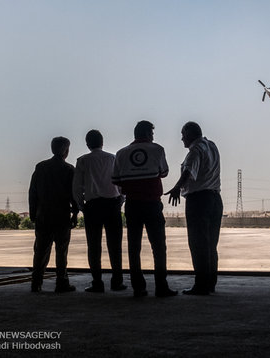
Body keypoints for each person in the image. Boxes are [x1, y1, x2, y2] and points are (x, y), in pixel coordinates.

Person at [112, 121, 177, 298]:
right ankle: (161, 286)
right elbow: (164, 172)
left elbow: (116, 179)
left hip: (132, 205)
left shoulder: (121, 153)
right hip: (152, 204)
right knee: (158, 246)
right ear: (149, 133)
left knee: (134, 247)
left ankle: (138, 287)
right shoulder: (157, 150)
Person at [166, 122, 222, 296]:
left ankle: (201, 285)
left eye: (183, 134)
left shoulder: (195, 150)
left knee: (198, 244)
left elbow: (189, 171)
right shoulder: (211, 146)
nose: (181, 138)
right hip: (215, 199)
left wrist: (176, 188)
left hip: (199, 200)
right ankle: (210, 283)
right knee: (211, 244)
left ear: (189, 134)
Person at [73, 129, 127, 293]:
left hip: (93, 206)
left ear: (87, 144)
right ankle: (117, 281)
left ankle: (97, 282)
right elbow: (121, 182)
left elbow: (76, 187)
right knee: (115, 245)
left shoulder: (82, 160)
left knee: (94, 246)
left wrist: (82, 205)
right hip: (112, 204)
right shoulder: (113, 158)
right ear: (102, 142)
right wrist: (120, 200)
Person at [29, 136, 79, 293]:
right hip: (62, 215)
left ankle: (36, 283)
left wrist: (33, 214)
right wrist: (75, 213)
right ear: (65, 150)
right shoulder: (69, 169)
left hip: (43, 215)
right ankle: (61, 282)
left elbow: (33, 193)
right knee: (61, 251)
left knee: (40, 250)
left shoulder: (40, 167)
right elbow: (74, 194)